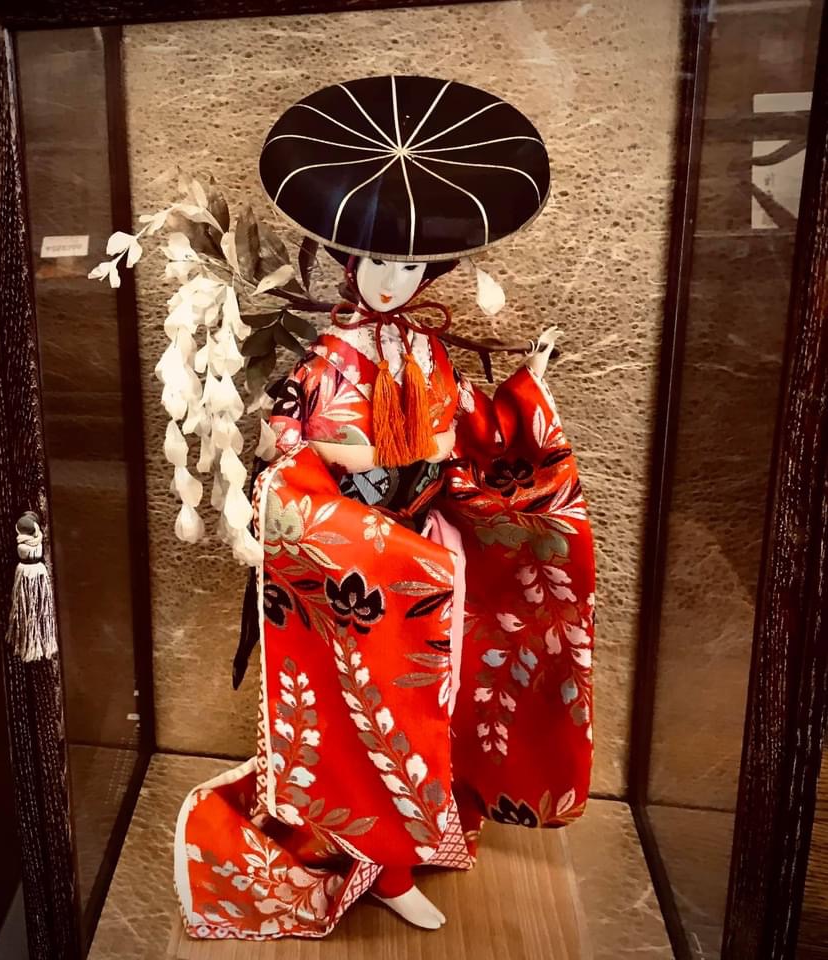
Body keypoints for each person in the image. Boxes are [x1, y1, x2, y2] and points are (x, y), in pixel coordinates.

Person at [174, 75, 595, 941]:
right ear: (347, 262)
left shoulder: (421, 346)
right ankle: (382, 860)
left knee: (431, 698)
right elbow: (301, 441)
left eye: (409, 266)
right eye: (377, 262)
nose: (393, 280)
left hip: (426, 543)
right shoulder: (330, 352)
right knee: (370, 713)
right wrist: (387, 458)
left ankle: (419, 831)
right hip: (360, 559)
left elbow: (465, 422)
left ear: (429, 271)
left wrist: (526, 390)